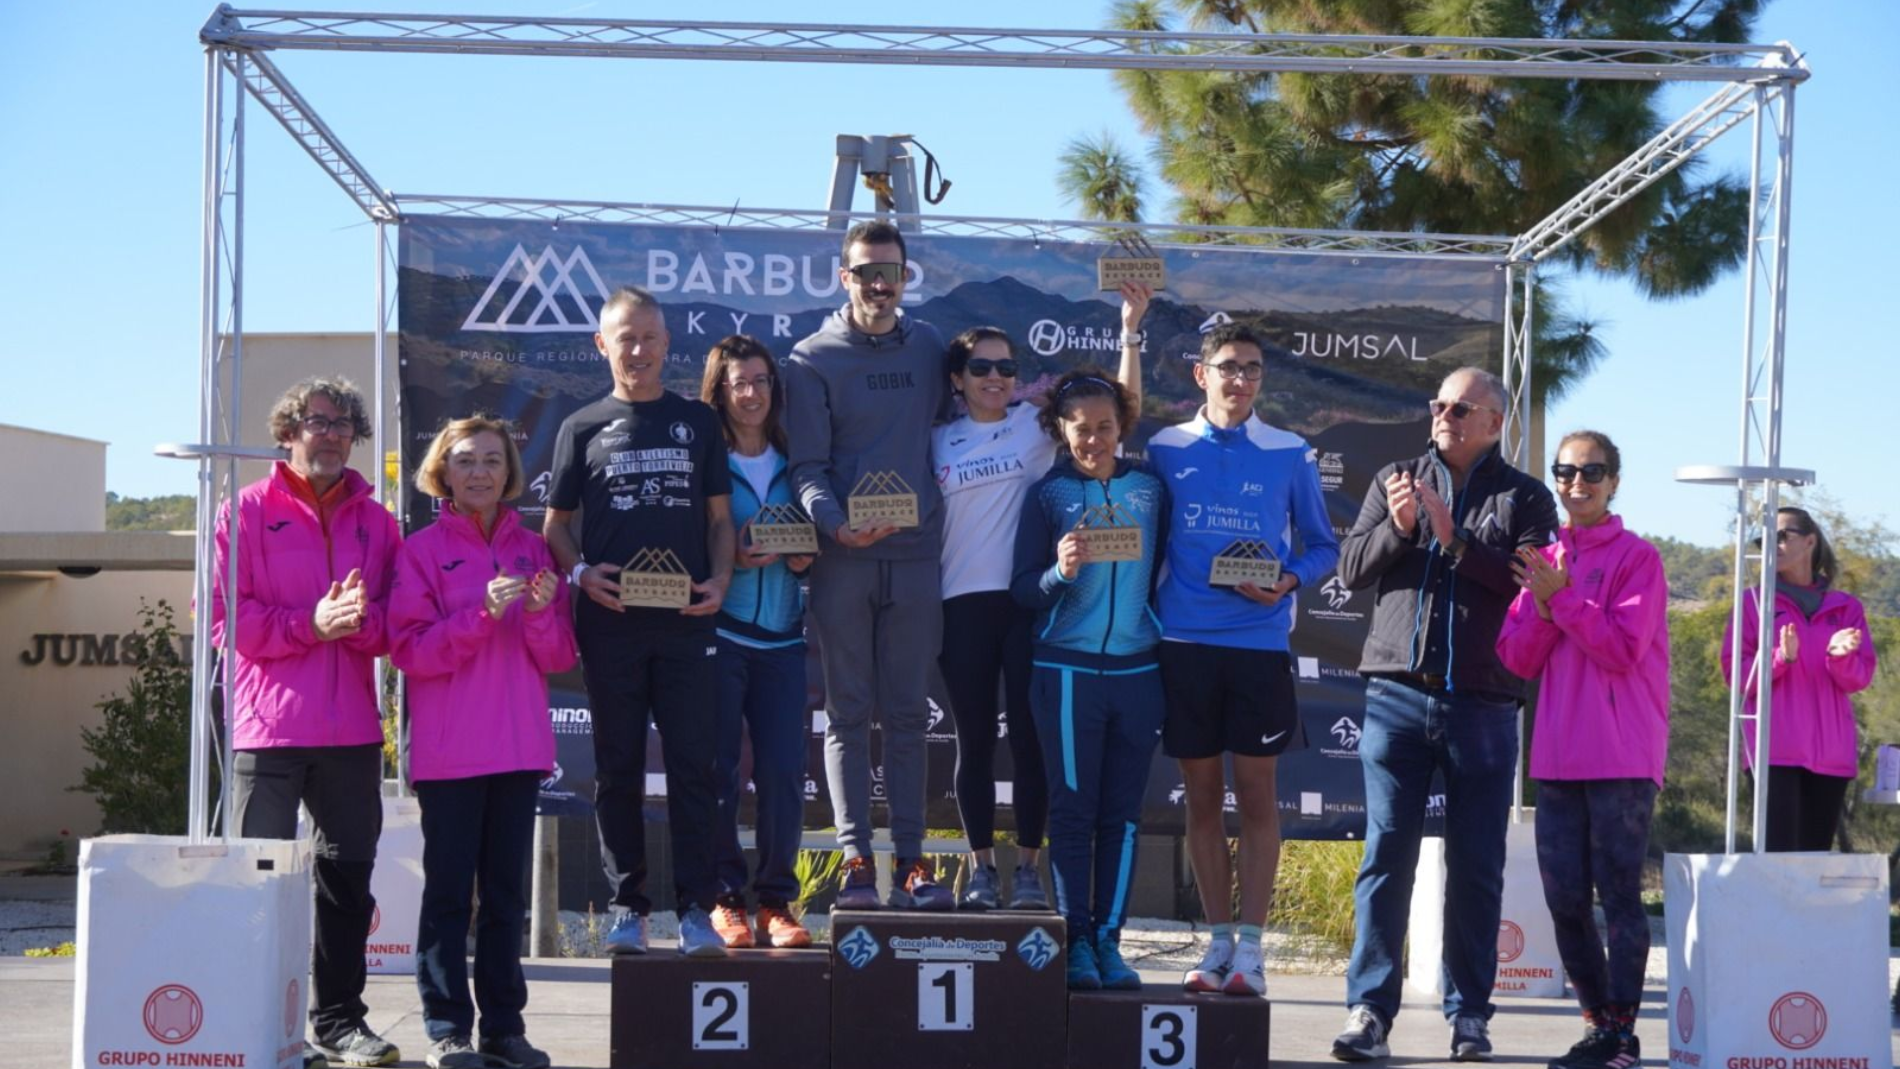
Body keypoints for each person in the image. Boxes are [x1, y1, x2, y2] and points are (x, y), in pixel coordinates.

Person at [1330, 368, 1558, 1063]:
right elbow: (1351, 569)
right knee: (1385, 857)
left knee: (1477, 865)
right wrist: (1402, 528)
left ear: (1494, 422)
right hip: (1395, 694)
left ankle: (1470, 1017)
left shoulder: (1526, 496)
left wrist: (1454, 539)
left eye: (1461, 408)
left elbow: (1531, 585)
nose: (1444, 415)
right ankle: (1369, 1011)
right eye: (1439, 404)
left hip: (1483, 702)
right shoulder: (1395, 478)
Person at [932, 282, 1153, 911]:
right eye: (981, 368)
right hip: (961, 603)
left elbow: (1119, 408)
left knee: (1031, 740)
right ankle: (980, 870)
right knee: (975, 741)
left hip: (1031, 602)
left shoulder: (1035, 425)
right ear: (958, 379)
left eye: (1007, 368)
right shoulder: (936, 439)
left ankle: (1028, 869)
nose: (996, 378)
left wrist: (1129, 330)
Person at [210, 377, 402, 1067]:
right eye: (319, 421)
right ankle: (257, 1023)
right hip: (267, 731)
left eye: (344, 424)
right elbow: (223, 621)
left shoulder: (379, 523)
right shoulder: (243, 511)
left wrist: (358, 622)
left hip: (352, 731)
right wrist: (310, 624)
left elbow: (395, 623)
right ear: (288, 431)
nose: (333, 434)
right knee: (256, 882)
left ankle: (340, 1023)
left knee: (347, 882)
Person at [1148, 322, 1339, 998]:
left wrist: (1287, 581)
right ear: (1201, 375)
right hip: (1184, 641)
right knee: (1200, 796)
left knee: (1257, 795)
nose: (1241, 379)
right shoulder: (1165, 447)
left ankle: (1252, 951)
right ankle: (1217, 940)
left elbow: (1323, 546)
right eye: (1229, 367)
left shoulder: (1289, 450)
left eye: (1253, 368)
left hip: (1258, 644)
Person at [544, 286, 735, 958]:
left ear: (667, 344)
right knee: (617, 768)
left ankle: (696, 911)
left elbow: (720, 519)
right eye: (626, 337)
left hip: (687, 623)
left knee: (693, 768)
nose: (639, 349)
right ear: (603, 344)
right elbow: (555, 526)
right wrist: (579, 574)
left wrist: (721, 579)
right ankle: (629, 909)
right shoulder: (581, 426)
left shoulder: (697, 422)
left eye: (650, 337)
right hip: (612, 625)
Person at [389, 417, 578, 1069]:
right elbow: (410, 650)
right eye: (466, 460)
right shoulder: (420, 551)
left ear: (509, 473)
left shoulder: (535, 549)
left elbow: (558, 656)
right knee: (448, 897)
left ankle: (503, 1028)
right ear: (443, 471)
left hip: (519, 751)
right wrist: (481, 616)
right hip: (451, 755)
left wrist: (539, 612)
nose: (480, 472)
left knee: (504, 899)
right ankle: (447, 1029)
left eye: (492, 460)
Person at [783, 219, 955, 910]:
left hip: (916, 557)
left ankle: (911, 862)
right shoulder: (810, 357)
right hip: (843, 560)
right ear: (844, 277)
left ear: (905, 278)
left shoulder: (930, 346)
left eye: (891, 272)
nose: (880, 285)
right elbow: (806, 466)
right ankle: (856, 861)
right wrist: (835, 524)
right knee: (849, 713)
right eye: (866, 273)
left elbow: (951, 431)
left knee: (909, 714)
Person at [1496, 431, 1668, 1069]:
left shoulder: (1639, 558)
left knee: (1619, 897)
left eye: (1592, 471)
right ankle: (1598, 1028)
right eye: (1565, 471)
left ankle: (1623, 1035)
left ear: (1614, 481)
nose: (1577, 483)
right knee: (1564, 901)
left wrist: (1561, 599)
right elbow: (1516, 659)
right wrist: (1545, 609)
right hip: (1558, 759)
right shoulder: (1544, 560)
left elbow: (1622, 649)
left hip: (1623, 756)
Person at [1010, 369, 1169, 990]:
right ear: (1060, 430)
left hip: (1138, 671)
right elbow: (1023, 590)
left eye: (1106, 427)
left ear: (1122, 426)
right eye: (1081, 429)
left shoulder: (1150, 489)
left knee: (1123, 816)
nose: (1094, 440)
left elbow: (1164, 570)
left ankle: (1109, 941)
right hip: (1067, 671)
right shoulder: (1047, 495)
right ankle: (1076, 941)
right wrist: (1060, 572)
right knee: (1074, 812)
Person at [699, 335, 816, 949]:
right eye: (739, 383)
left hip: (784, 638)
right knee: (719, 771)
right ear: (720, 391)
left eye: (761, 381)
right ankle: (724, 898)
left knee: (782, 773)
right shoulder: (706, 460)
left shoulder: (796, 458)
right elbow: (692, 540)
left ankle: (775, 901)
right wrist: (732, 560)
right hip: (723, 633)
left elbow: (814, 544)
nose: (752, 393)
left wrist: (803, 559)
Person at [1721, 506, 1877, 851]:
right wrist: (1781, 658)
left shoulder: (1846, 608)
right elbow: (1737, 677)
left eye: (1781, 535)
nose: (1770, 544)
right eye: (1763, 538)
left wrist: (1840, 658)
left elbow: (1859, 678)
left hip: (1832, 756)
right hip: (1772, 753)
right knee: (1777, 862)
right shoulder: (1751, 604)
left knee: (1813, 865)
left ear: (1809, 541)